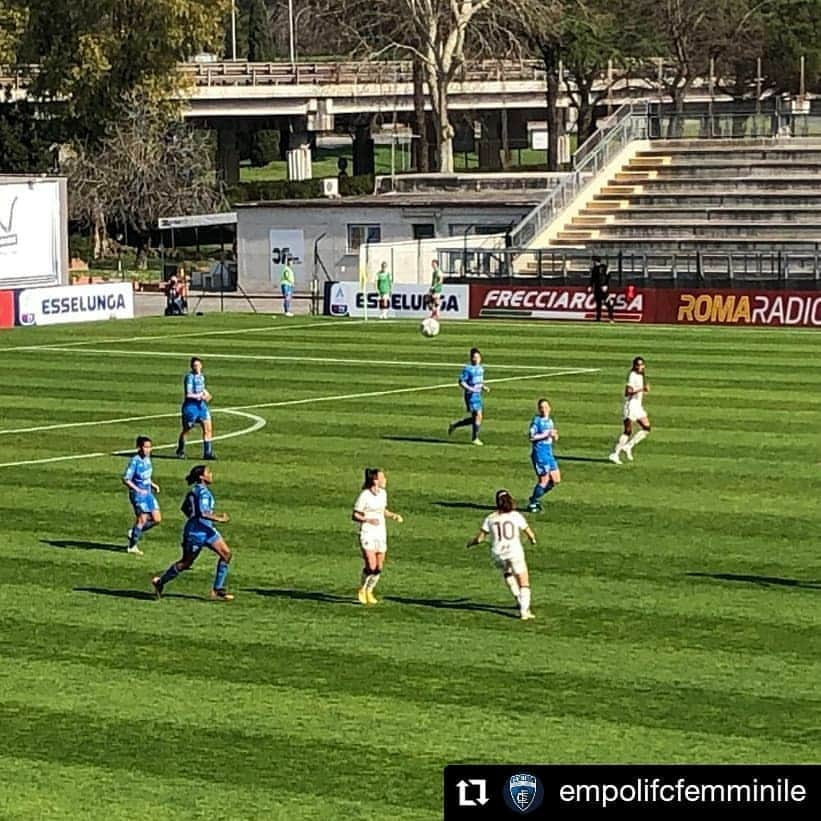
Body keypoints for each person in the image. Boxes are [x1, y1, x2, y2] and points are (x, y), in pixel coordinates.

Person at [151, 465, 234, 601]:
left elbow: (184, 508)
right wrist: (220, 518)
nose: (211, 474)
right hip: (195, 533)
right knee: (185, 563)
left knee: (226, 554)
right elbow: (203, 512)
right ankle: (160, 582)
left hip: (207, 530)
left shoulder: (195, 491)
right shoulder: (202, 493)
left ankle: (217, 589)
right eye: (208, 472)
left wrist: (194, 518)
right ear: (201, 477)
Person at [466, 490, 537, 621]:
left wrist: (471, 543)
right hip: (514, 551)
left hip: (498, 553)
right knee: (524, 582)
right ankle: (524, 611)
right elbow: (529, 532)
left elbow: (479, 539)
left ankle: (517, 598)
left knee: (507, 573)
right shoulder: (516, 516)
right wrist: (533, 540)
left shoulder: (491, 518)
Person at [352, 467, 403, 605]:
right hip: (368, 532)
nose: (385, 480)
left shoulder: (383, 494)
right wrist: (367, 520)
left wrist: (393, 515)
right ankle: (362, 589)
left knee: (379, 567)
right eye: (382, 477)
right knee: (371, 566)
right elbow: (355, 514)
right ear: (375, 480)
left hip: (381, 533)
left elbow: (382, 510)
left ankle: (370, 590)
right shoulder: (365, 495)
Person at [122, 435, 161, 556]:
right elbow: (126, 479)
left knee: (157, 519)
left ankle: (134, 532)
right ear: (139, 447)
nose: (148, 450)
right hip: (138, 495)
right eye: (146, 447)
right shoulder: (135, 461)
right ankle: (132, 546)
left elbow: (146, 476)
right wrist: (137, 489)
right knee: (142, 518)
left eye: (150, 447)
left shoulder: (148, 459)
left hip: (148, 493)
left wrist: (153, 484)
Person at [609, 355, 651, 464]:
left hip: (638, 406)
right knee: (628, 430)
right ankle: (615, 454)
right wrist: (642, 389)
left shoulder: (641, 375)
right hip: (631, 405)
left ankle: (628, 446)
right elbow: (627, 392)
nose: (640, 367)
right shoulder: (632, 376)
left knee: (646, 428)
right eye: (638, 365)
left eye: (641, 365)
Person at [176, 357, 216, 460]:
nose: (196, 368)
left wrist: (207, 394)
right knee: (187, 430)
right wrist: (199, 396)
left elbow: (202, 389)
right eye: (194, 366)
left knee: (208, 429)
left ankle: (208, 453)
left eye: (198, 365)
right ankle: (180, 450)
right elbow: (188, 394)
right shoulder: (189, 377)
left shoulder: (201, 377)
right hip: (191, 407)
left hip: (201, 406)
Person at [448, 347, 490, 446]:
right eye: (474, 357)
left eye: (478, 357)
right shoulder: (468, 369)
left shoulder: (481, 368)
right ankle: (475, 438)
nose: (477, 359)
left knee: (476, 418)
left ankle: (455, 425)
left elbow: (479, 381)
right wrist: (470, 389)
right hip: (470, 396)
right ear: (471, 358)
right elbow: (461, 382)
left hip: (478, 394)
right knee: (478, 415)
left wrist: (483, 387)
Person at [527, 398, 561, 512]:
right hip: (540, 453)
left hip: (549, 452)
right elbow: (531, 437)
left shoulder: (550, 421)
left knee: (556, 480)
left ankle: (535, 497)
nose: (544, 410)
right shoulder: (537, 421)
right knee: (544, 480)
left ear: (550, 408)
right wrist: (546, 435)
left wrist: (554, 435)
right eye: (541, 407)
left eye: (546, 407)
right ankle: (533, 503)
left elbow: (550, 434)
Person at [588, 255, 615, 322]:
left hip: (603, 288)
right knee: (598, 304)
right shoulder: (594, 269)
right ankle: (598, 318)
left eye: (593, 261)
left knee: (608, 303)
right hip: (597, 288)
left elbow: (608, 277)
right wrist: (590, 286)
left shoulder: (604, 267)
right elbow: (592, 279)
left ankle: (611, 318)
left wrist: (606, 285)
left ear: (595, 261)